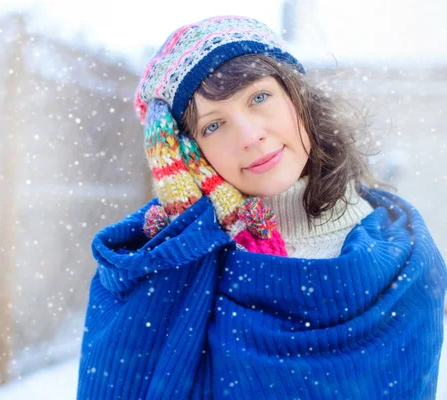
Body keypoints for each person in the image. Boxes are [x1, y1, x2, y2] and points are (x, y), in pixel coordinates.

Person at [77, 16, 447, 399]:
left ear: (298, 96)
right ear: (189, 155)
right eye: (214, 126)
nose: (250, 136)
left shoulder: (404, 256)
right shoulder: (162, 267)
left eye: (259, 97)